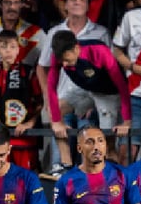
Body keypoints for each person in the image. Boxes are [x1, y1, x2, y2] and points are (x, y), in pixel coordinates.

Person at [46, 28, 133, 167]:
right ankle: (64, 164)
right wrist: (57, 122)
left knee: (107, 142)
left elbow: (122, 87)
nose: (64, 65)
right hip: (85, 90)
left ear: (75, 48)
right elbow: (51, 88)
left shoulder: (98, 51)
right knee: (54, 111)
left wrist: (127, 122)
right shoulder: (58, 55)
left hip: (108, 94)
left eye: (67, 60)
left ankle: (110, 176)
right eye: (61, 61)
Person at [0, 29, 44, 171]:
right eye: (4, 47)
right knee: (0, 178)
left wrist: (30, 123)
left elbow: (40, 102)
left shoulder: (28, 72)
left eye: (12, 47)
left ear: (18, 49)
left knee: (25, 179)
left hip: (24, 139)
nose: (8, 51)